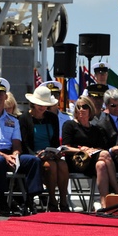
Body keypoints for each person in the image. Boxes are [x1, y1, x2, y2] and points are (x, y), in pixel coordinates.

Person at [0, 79, 41, 215]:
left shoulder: (13, 119)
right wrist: (4, 156)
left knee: (34, 161)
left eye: (1, 93)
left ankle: (29, 200)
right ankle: (2, 202)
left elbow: (17, 144)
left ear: (5, 96)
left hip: (9, 154)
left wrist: (15, 155)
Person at [62, 95, 118, 201]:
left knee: (101, 165)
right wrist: (82, 150)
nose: (81, 110)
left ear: (90, 109)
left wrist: (90, 149)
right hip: (78, 161)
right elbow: (65, 148)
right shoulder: (69, 125)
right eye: (78, 107)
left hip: (93, 161)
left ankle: (104, 202)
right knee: (105, 154)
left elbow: (101, 147)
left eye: (84, 107)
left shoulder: (96, 129)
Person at [22, 84, 70, 212]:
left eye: (45, 104)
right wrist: (36, 154)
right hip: (35, 155)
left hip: (50, 153)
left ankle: (64, 201)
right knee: (50, 166)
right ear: (33, 103)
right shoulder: (24, 118)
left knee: (63, 165)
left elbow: (54, 141)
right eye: (39, 104)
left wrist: (55, 152)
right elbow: (24, 144)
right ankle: (53, 201)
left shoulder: (52, 118)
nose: (42, 107)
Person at [96, 87, 118, 174]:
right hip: (116, 158)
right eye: (113, 106)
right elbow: (101, 149)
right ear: (106, 106)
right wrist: (112, 150)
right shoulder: (102, 125)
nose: (117, 108)